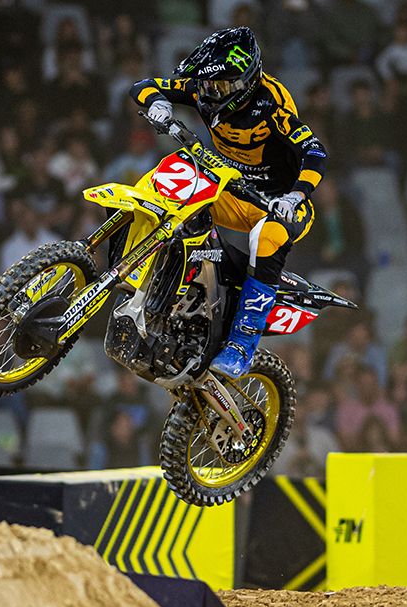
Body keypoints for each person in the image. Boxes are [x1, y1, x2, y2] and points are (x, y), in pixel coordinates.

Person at [129, 27, 327, 380]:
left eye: (219, 87)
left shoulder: (272, 103)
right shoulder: (204, 87)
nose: (209, 93)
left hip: (277, 201)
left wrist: (296, 195)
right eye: (207, 85)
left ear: (245, 82)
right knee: (173, 189)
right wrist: (157, 102)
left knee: (267, 237)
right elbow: (144, 85)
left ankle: (242, 344)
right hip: (232, 191)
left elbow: (314, 151)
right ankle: (165, 291)